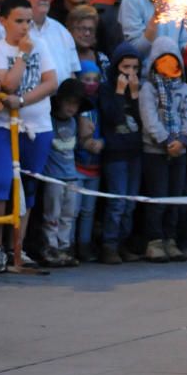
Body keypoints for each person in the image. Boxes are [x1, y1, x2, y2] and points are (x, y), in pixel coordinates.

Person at [0, 0, 57, 271]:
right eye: (18, 21)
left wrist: (24, 102)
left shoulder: (42, 44)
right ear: (3, 21)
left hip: (38, 126)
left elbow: (51, 82)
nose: (25, 27)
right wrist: (23, 56)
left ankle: (18, 247)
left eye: (28, 21)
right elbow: (8, 85)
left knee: (28, 189)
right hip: (5, 126)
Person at [139, 36, 187, 263]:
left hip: (179, 150)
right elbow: (150, 119)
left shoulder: (184, 89)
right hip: (155, 151)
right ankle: (154, 241)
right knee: (158, 197)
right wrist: (165, 141)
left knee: (175, 197)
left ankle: (170, 239)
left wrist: (182, 139)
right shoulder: (148, 89)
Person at [98, 42, 143, 265]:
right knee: (117, 201)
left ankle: (123, 243)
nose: (131, 73)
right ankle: (109, 245)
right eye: (126, 67)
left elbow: (142, 119)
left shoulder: (138, 88)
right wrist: (119, 92)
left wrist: (134, 95)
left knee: (130, 202)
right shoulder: (106, 88)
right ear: (117, 66)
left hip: (134, 150)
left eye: (135, 67)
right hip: (116, 152)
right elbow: (112, 117)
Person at [41, 78, 92, 267]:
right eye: (69, 102)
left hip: (72, 175)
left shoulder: (73, 123)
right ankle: (50, 247)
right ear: (59, 102)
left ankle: (64, 247)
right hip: (54, 177)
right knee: (52, 214)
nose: (72, 107)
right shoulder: (49, 122)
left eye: (76, 104)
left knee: (69, 215)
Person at [14, 0, 81, 86]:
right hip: (28, 100)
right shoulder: (6, 29)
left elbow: (71, 72)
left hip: (61, 100)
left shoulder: (60, 30)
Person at [75, 61, 104, 262]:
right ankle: (67, 245)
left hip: (95, 166)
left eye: (95, 80)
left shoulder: (101, 105)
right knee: (73, 210)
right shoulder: (75, 107)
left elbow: (108, 129)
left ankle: (84, 245)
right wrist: (81, 143)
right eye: (86, 80)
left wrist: (101, 142)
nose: (91, 84)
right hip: (76, 166)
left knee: (88, 211)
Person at [67, 4, 110, 79]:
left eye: (91, 29)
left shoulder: (102, 59)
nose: (87, 33)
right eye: (82, 29)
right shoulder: (62, 57)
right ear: (70, 30)